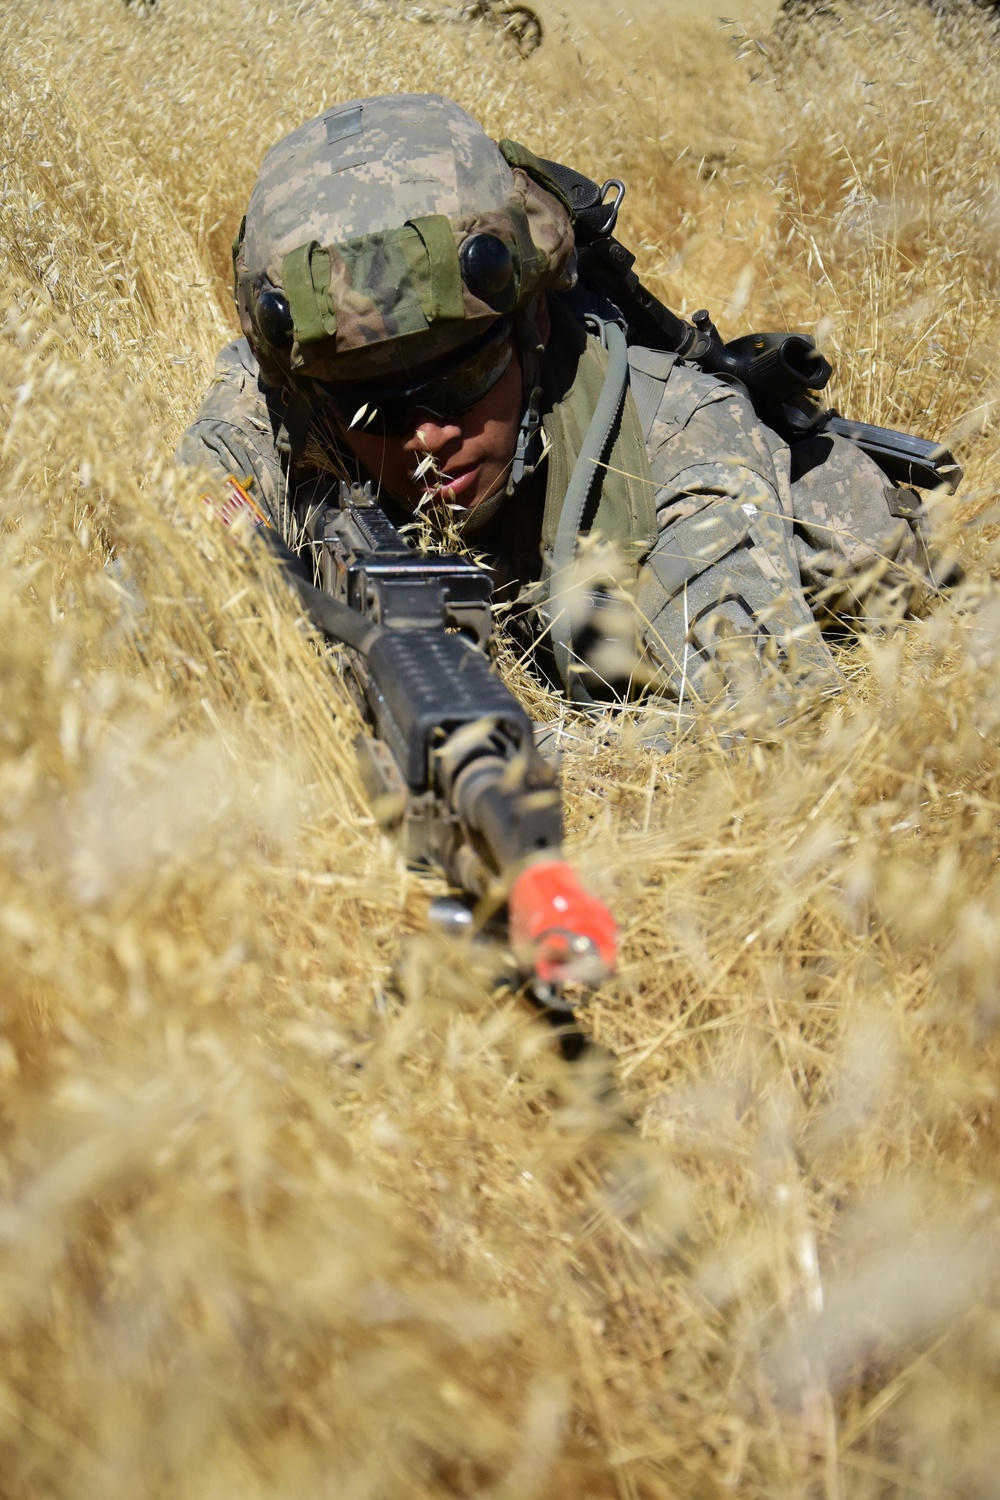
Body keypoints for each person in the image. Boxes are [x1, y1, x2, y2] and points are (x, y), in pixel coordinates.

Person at [178, 92, 943, 738]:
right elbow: (175, 549)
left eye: (462, 379)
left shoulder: (673, 438)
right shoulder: (300, 393)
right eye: (370, 404)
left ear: (534, 323)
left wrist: (533, 754)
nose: (424, 436)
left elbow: (762, 737)